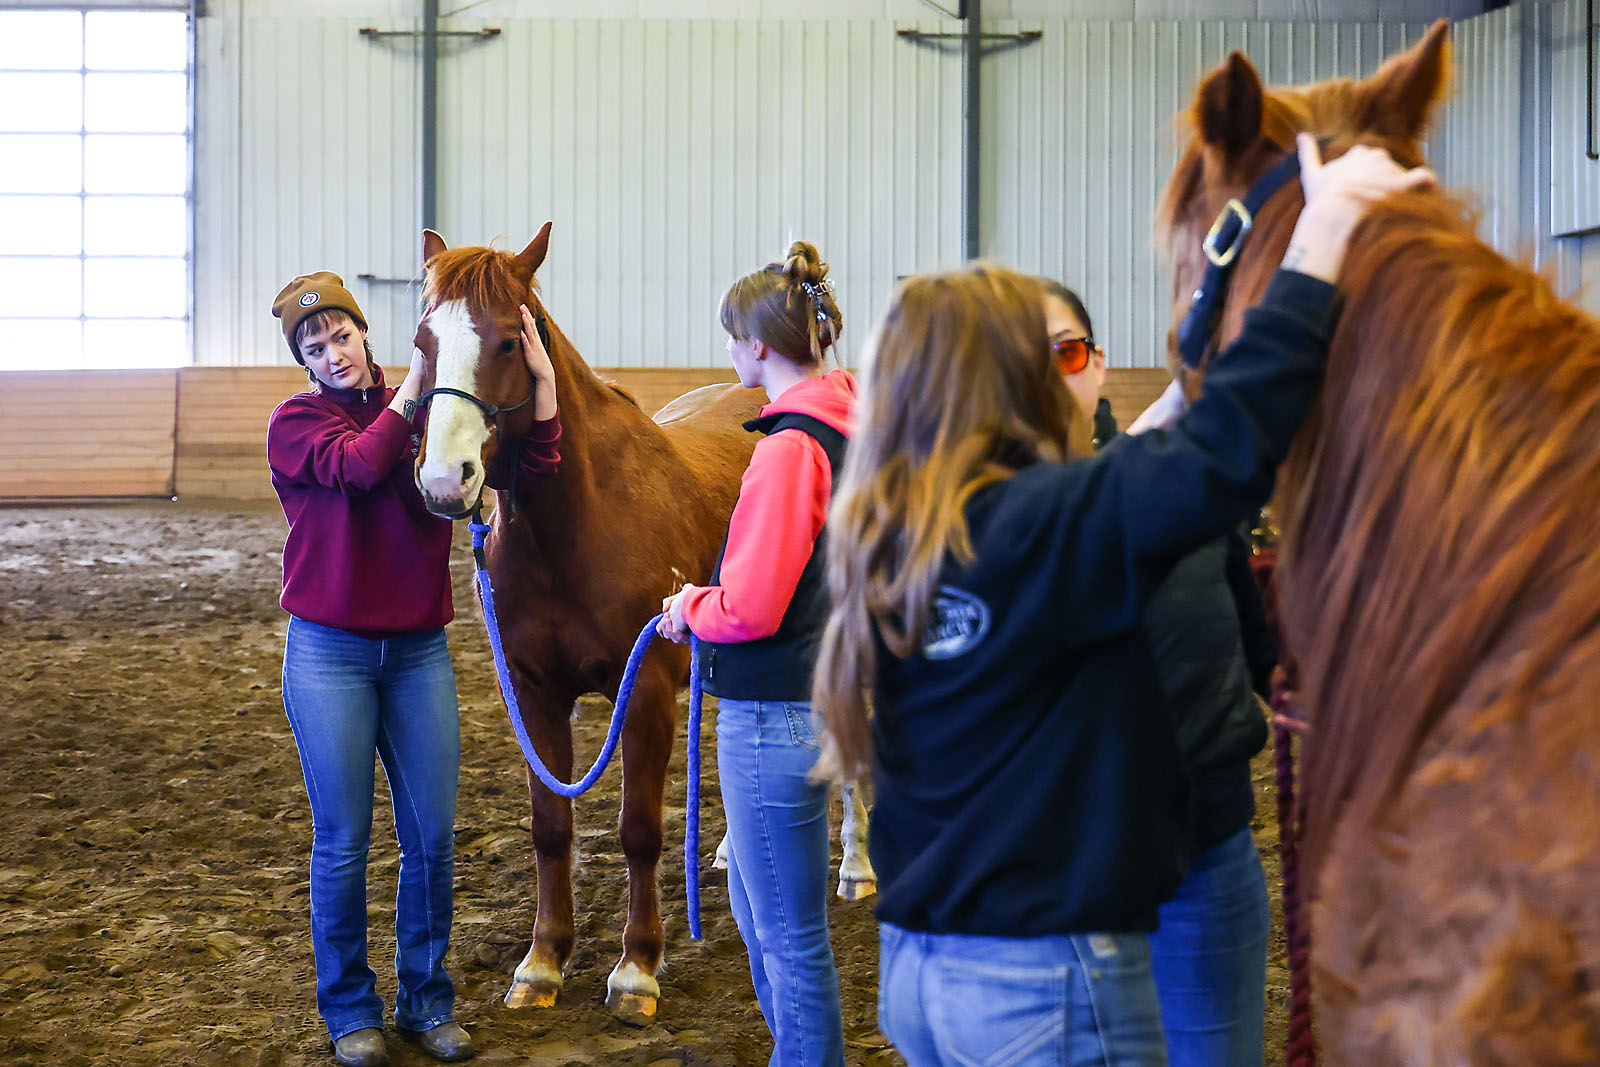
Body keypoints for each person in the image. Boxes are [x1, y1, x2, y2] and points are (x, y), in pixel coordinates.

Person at [813, 138, 1433, 1065]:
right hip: (1046, 979)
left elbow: (1147, 459)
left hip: (926, 966)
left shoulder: (905, 528)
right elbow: (1226, 450)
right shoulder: (1041, 521)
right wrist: (1325, 233)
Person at [267, 274, 560, 1067]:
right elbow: (362, 467)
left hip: (418, 651)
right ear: (303, 361)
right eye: (314, 347)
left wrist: (542, 383)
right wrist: (417, 390)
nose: (333, 354)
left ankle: (427, 999)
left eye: (342, 336)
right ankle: (350, 1009)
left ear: (364, 333)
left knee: (432, 836)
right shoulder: (297, 422)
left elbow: (528, 473)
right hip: (329, 653)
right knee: (344, 840)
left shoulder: (433, 411)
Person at [1043, 278, 1278, 1065]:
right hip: (1061, 869)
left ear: (1098, 363)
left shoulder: (1191, 495)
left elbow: (1260, 645)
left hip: (1208, 849)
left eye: (1066, 352)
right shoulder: (970, 527)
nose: (1048, 376)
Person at [656, 241, 853, 1067]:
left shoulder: (786, 448)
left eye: (733, 338)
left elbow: (751, 605)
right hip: (813, 692)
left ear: (759, 345)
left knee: (788, 934)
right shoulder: (845, 421)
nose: (729, 352)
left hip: (771, 709)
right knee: (761, 906)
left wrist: (688, 606)